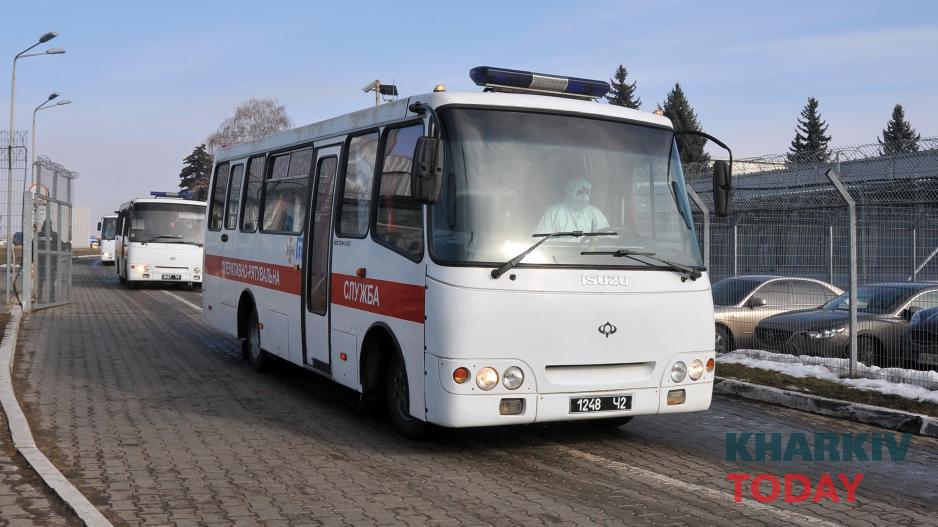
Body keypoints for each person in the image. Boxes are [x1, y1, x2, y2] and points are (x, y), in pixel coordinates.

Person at [535, 177, 610, 233]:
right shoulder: (553, 213)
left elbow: (610, 239)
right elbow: (538, 241)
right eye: (580, 192)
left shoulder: (595, 214)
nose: (584, 196)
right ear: (569, 192)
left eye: (587, 192)